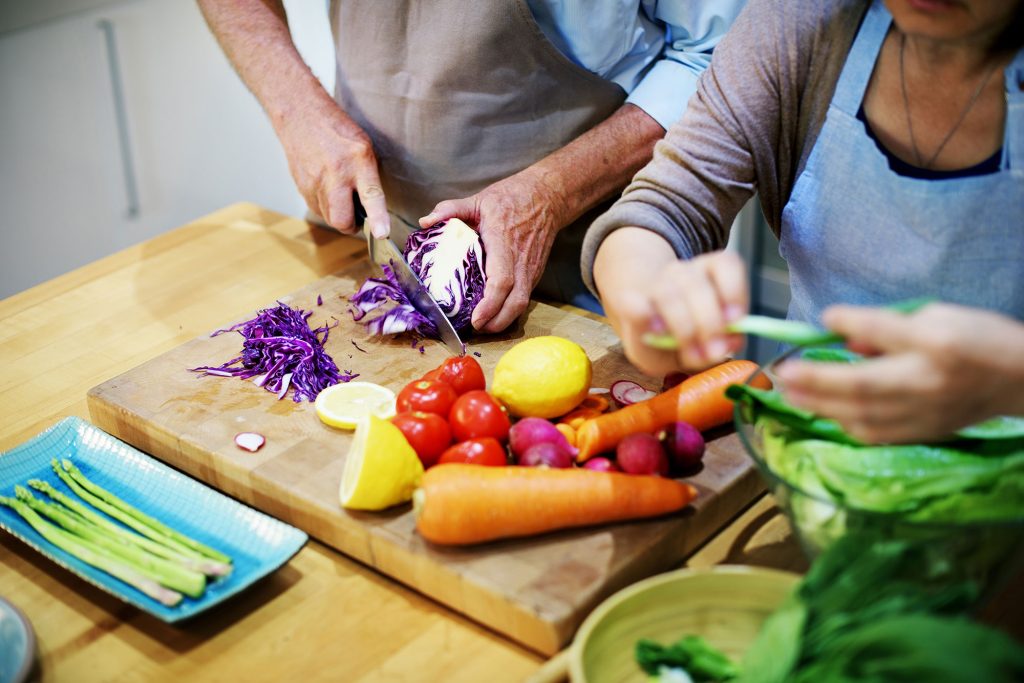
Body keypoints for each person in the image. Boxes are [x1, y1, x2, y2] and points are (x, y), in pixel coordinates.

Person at [585, 0, 1024, 444]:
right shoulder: (801, 18)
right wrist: (645, 289)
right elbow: (665, 207)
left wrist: (1010, 377)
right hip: (807, 451)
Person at [197, 0, 746, 332]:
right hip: (366, 232)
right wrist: (297, 110)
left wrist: (552, 192)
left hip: (606, 255)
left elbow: (719, 57)